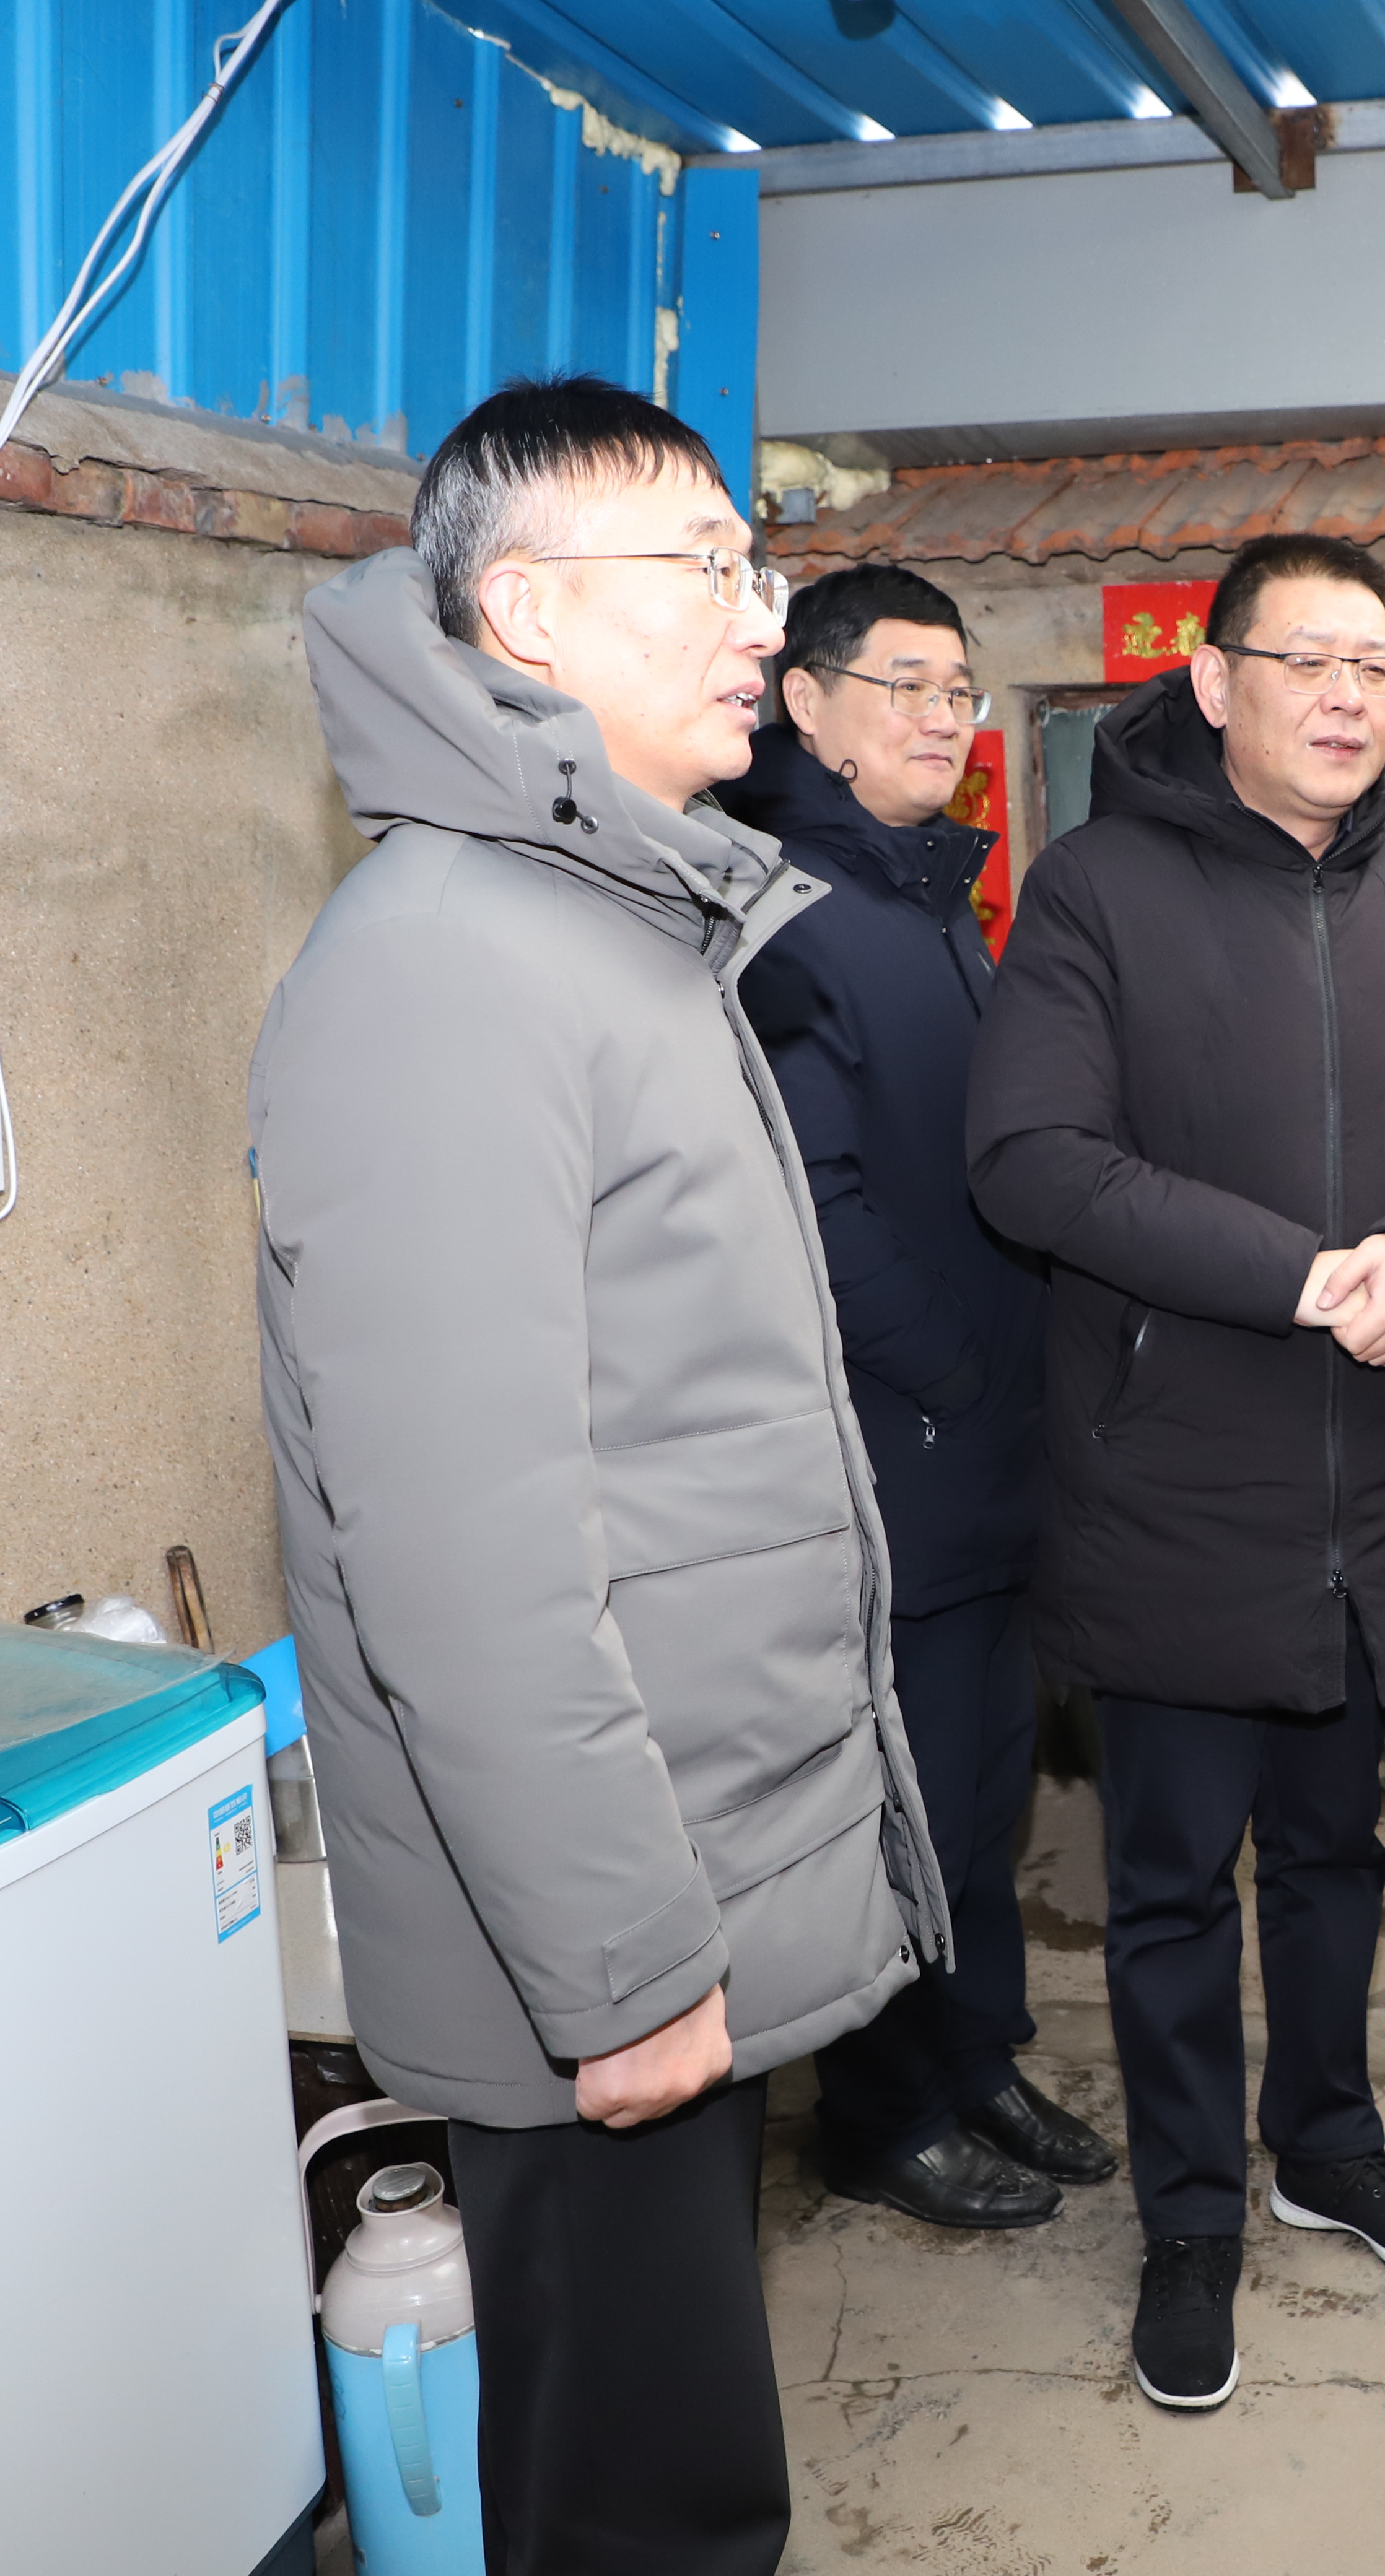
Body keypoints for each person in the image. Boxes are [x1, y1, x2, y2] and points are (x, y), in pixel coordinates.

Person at [251, 376, 947, 2576]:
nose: (760, 619)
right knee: (645, 2513)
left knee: (671, 2473)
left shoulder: (607, 919)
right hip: (606, 1931)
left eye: (757, 564)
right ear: (532, 613)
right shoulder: (451, 966)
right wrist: (625, 1965)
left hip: (676, 1870)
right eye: (709, 569)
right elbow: (460, 1559)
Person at [965, 529, 1385, 2414]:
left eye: (1375, 666)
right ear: (1215, 680)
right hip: (1176, 1485)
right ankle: (1191, 2215)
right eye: (1306, 660)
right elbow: (1033, 1155)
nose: (1346, 697)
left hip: (1372, 1487)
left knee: (1335, 1851)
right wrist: (1301, 1276)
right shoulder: (1096, 890)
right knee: (1168, 1884)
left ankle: (1329, 2142)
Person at [724, 564, 1119, 2232]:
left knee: (981, 1779)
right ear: (806, 702)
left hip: (990, 1442)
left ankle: (976, 2057)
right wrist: (959, 1374)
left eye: (960, 690)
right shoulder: (788, 912)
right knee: (900, 1791)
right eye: (908, 685)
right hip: (898, 1441)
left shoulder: (929, 898)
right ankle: (881, 2112)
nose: (945, 719)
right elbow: (814, 1208)